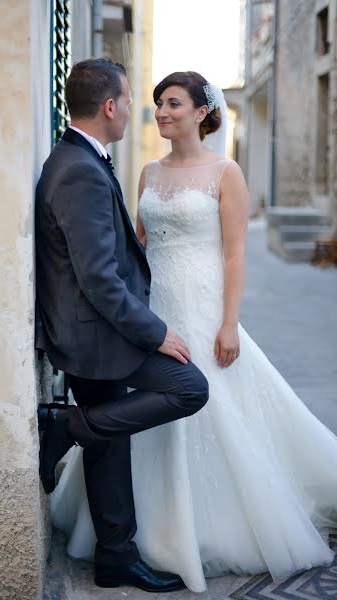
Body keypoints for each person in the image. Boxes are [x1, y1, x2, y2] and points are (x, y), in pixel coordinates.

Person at [51, 70, 337, 593]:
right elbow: (135, 243)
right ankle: (138, 531)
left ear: (202, 112)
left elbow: (234, 254)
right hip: (152, 311)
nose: (161, 111)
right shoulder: (147, 174)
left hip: (204, 309)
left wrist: (228, 323)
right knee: (154, 403)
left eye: (173, 103)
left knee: (208, 399)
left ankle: (206, 524)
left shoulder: (225, 172)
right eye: (157, 102)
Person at [34, 59, 210, 593]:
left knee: (109, 440)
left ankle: (116, 557)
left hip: (90, 326)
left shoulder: (79, 158)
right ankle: (64, 427)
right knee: (188, 387)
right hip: (95, 331)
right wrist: (155, 332)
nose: (139, 111)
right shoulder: (81, 169)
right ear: (109, 107)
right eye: (131, 101)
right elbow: (100, 279)